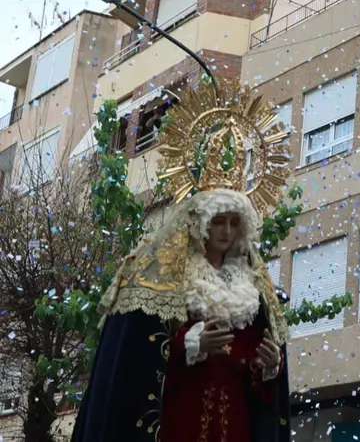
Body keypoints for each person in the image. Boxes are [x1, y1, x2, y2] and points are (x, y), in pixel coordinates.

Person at [71, 187, 291, 442]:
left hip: (235, 425)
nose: (227, 231)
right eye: (219, 221)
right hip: (181, 418)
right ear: (201, 222)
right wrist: (189, 345)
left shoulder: (251, 287)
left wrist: (270, 367)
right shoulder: (164, 274)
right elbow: (136, 355)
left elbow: (253, 368)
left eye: (234, 223)